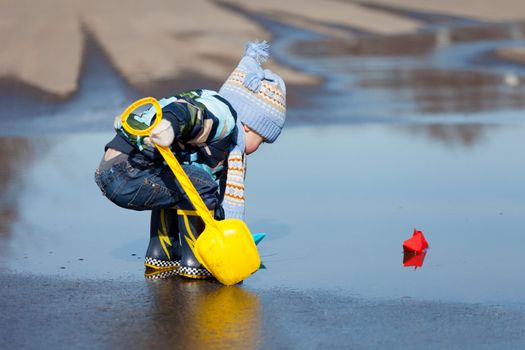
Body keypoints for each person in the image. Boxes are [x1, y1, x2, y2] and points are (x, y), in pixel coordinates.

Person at [94, 41, 286, 279]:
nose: (258, 148)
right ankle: (196, 261)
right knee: (200, 182)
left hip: (115, 169)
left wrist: (226, 230)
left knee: (180, 179)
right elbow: (186, 112)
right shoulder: (222, 116)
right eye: (263, 139)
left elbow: (217, 200)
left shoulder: (219, 128)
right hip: (126, 172)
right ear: (248, 125)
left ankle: (162, 254)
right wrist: (170, 126)